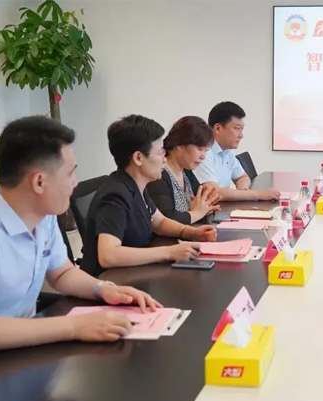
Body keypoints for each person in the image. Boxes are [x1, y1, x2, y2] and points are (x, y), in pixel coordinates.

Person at [0, 116, 161, 387]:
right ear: (39, 182)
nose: (75, 183)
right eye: (70, 173)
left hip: (10, 350)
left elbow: (62, 273)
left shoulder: (42, 216)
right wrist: (75, 326)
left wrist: (104, 289)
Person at [80, 115, 217, 276]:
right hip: (109, 281)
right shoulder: (115, 196)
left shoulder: (137, 186)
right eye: (160, 153)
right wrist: (169, 252)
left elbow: (159, 222)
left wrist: (192, 232)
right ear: (138, 158)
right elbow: (108, 256)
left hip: (134, 273)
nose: (164, 160)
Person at [194, 101, 280, 201]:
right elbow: (213, 193)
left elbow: (242, 177)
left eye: (241, 129)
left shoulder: (227, 152)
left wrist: (242, 189)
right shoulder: (204, 153)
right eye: (237, 128)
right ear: (217, 128)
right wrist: (257, 194)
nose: (241, 135)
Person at [146, 116, 222, 224]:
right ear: (179, 145)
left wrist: (206, 204)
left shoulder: (185, 170)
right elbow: (166, 220)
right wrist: (197, 213)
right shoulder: (159, 175)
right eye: (200, 149)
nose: (203, 156)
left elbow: (200, 204)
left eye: (206, 151)